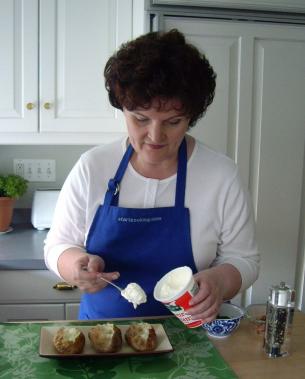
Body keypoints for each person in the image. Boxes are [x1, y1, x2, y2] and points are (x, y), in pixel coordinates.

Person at [44, 29, 259, 321]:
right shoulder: (92, 167)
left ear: (191, 117)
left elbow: (244, 259)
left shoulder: (221, 176)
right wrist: (75, 267)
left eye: (173, 121)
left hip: (189, 341)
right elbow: (57, 245)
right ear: (123, 109)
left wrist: (220, 282)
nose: (155, 136)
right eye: (141, 119)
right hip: (103, 335)